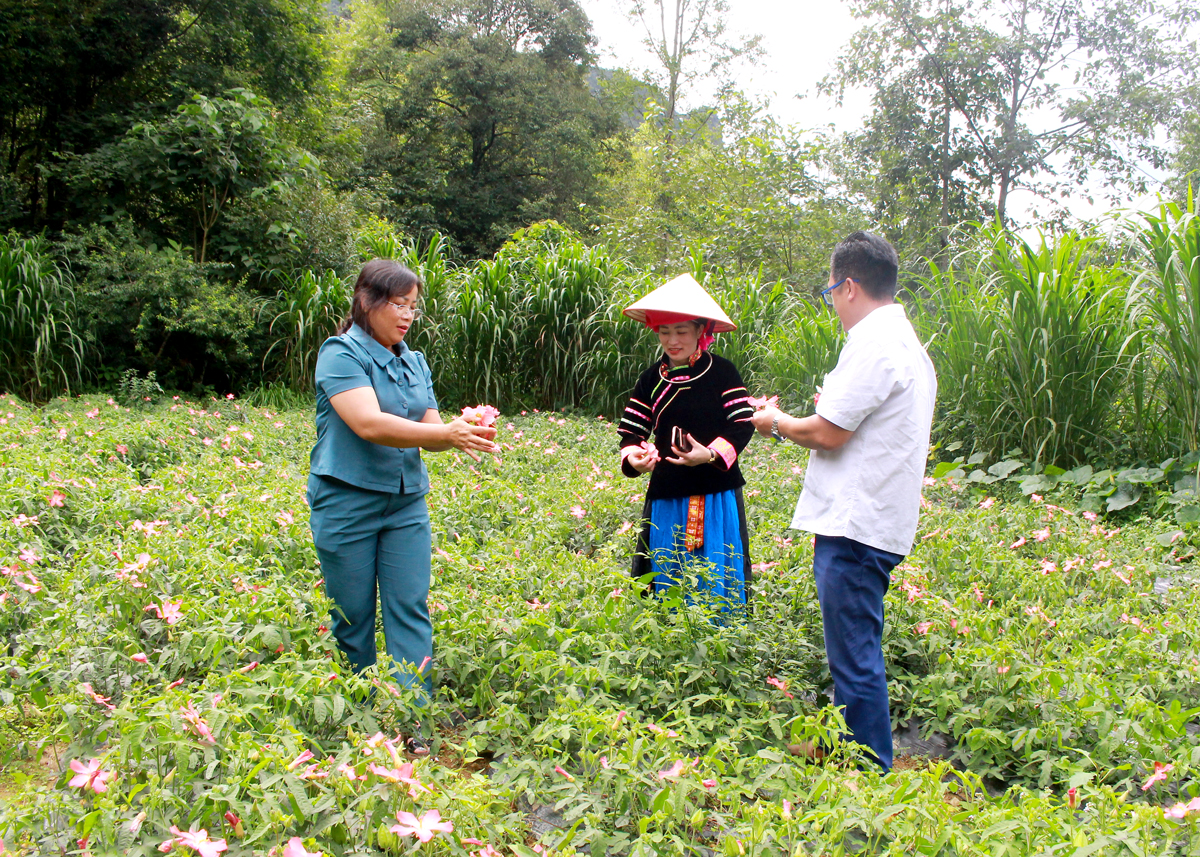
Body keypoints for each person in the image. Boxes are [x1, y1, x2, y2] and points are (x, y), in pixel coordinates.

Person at [751, 232, 936, 772]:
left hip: (858, 525)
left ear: (850, 286)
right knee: (853, 643)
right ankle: (840, 743)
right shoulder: (904, 344)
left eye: (832, 290)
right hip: (874, 518)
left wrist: (774, 423)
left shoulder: (874, 343)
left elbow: (828, 434)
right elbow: (856, 419)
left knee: (854, 653)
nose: (833, 301)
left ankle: (867, 767)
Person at [307, 259, 498, 750]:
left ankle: (415, 722)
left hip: (405, 503)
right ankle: (361, 719)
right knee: (352, 616)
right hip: (347, 502)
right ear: (367, 301)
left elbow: (430, 429)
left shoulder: (413, 361)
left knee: (409, 608)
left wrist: (463, 430)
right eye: (398, 304)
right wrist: (442, 431)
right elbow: (369, 424)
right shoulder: (340, 354)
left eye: (413, 307)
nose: (407, 315)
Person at [618, 274, 756, 609]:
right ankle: (669, 633)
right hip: (668, 490)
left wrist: (708, 454)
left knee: (716, 565)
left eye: (681, 330)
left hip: (715, 489)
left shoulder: (722, 372)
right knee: (666, 564)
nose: (672, 339)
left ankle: (718, 633)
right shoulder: (651, 379)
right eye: (665, 331)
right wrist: (634, 457)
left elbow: (743, 423)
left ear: (701, 331)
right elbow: (632, 432)